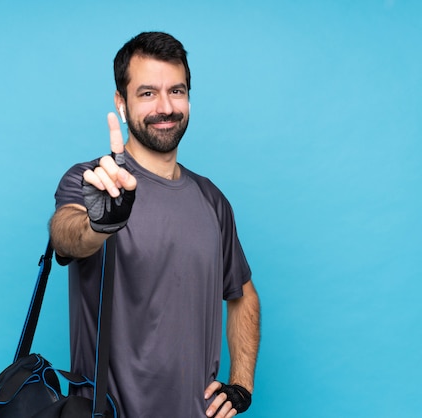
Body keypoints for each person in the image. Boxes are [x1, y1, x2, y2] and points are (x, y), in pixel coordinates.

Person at [49, 31, 260, 418]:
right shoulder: (96, 180)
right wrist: (99, 225)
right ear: (121, 102)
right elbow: (66, 236)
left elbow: (243, 294)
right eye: (147, 93)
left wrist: (241, 385)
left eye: (176, 91)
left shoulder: (212, 200)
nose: (165, 107)